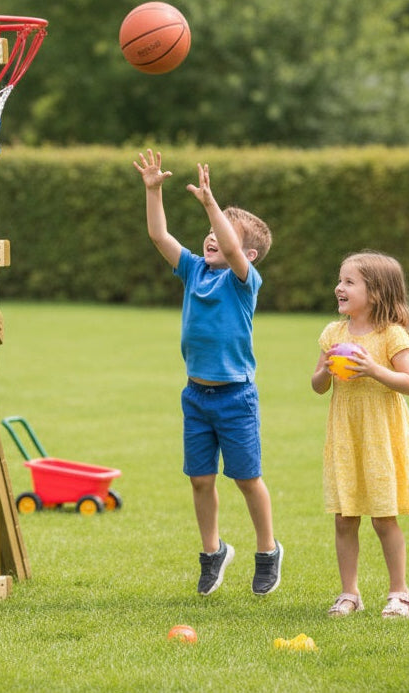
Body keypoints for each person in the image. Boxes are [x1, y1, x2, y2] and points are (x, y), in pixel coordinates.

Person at [133, 149, 282, 597]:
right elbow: (159, 236)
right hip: (197, 396)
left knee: (245, 478)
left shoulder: (243, 281)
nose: (212, 238)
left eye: (221, 233)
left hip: (236, 397)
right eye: (210, 232)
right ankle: (213, 551)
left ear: (249, 254)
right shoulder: (195, 270)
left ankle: (267, 550)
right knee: (200, 479)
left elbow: (232, 247)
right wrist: (154, 191)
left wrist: (211, 203)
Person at [311, 251, 409, 619]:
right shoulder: (333, 333)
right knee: (344, 517)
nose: (339, 287)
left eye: (349, 282)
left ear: (375, 293)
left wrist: (373, 368)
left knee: (383, 517)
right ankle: (350, 593)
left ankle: (400, 593)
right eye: (340, 279)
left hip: (381, 437)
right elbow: (317, 386)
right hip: (346, 439)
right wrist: (328, 370)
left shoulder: (391, 335)